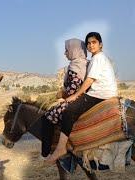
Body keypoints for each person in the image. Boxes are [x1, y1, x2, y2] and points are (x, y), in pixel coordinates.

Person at [45, 32, 118, 163]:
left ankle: (61, 148)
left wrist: (75, 96)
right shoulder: (94, 59)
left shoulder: (98, 58)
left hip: (99, 94)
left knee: (69, 111)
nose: (91, 45)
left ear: (100, 44)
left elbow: (89, 80)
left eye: (94, 42)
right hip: (100, 92)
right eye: (89, 43)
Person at [41, 38, 88, 157]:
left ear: (74, 51)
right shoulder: (84, 63)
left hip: (76, 100)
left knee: (48, 117)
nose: (65, 53)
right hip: (84, 98)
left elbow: (72, 89)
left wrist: (62, 94)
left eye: (67, 50)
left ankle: (47, 151)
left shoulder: (75, 68)